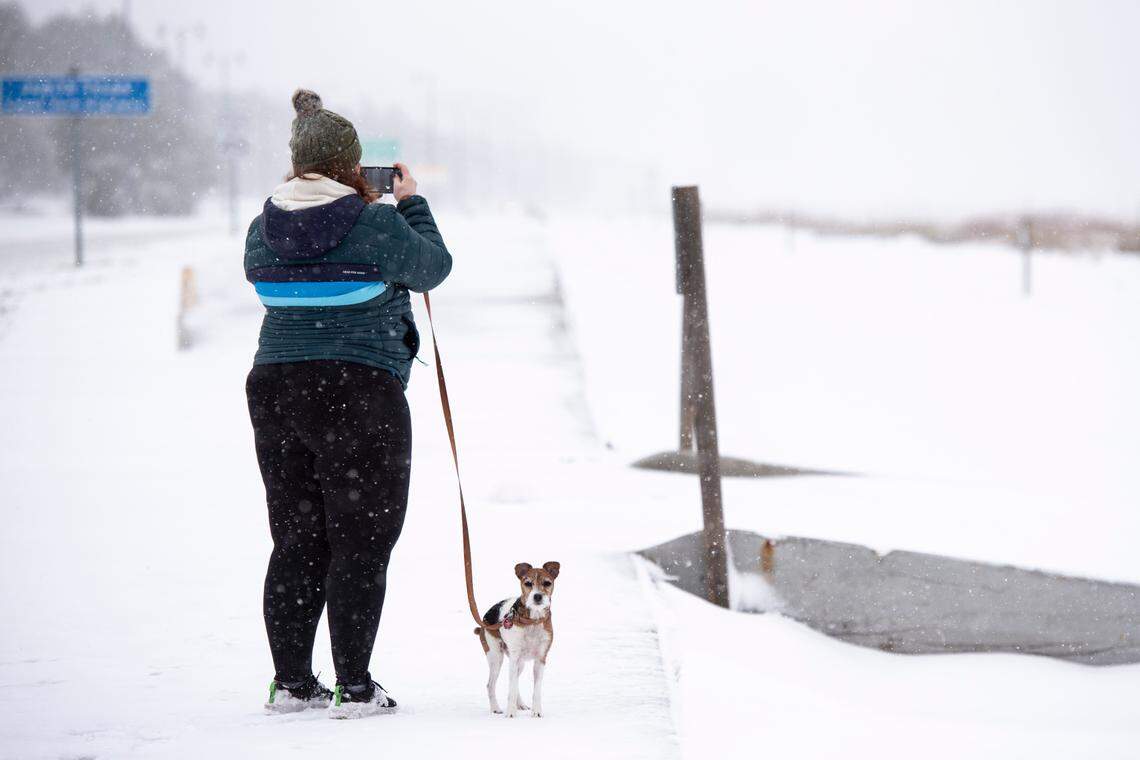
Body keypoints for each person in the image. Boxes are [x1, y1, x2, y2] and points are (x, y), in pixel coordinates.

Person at [243, 88, 452, 719]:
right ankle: (354, 686)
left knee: (297, 538)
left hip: (276, 387)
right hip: (359, 392)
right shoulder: (376, 224)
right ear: (351, 165)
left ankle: (291, 683)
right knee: (361, 541)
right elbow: (433, 268)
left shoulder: (261, 227)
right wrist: (410, 203)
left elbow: (270, 271)